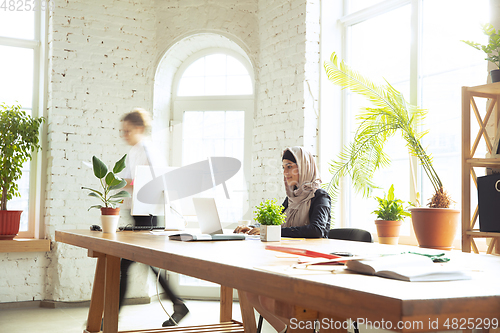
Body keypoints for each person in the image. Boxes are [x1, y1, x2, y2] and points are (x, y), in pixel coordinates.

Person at [234, 146, 331, 332]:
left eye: (289, 166)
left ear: (303, 167)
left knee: (264, 297)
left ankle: (303, 330)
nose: (285, 173)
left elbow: (316, 230)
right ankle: (287, 330)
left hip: (310, 265)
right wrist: (256, 228)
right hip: (286, 260)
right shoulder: (291, 198)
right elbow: (274, 224)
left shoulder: (320, 196)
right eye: (283, 168)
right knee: (251, 292)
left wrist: (276, 232)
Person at [119, 108, 189, 327]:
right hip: (138, 215)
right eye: (122, 131)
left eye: (127, 130)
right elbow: (131, 181)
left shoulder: (148, 150)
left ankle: (110, 317)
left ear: (139, 128)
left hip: (148, 216)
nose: (124, 135)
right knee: (146, 264)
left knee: (125, 265)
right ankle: (179, 304)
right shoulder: (133, 152)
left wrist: (128, 185)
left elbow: (155, 181)